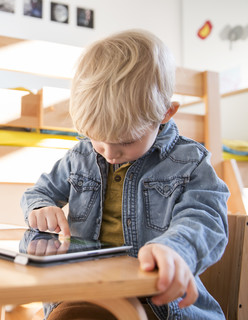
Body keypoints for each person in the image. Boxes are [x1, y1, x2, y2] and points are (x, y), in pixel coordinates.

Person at [20, 29, 229, 320]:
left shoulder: (189, 163)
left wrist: (174, 248)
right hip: (86, 293)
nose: (109, 153)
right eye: (96, 137)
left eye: (127, 141)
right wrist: (41, 207)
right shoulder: (80, 156)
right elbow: (37, 192)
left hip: (158, 303)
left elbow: (205, 219)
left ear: (166, 113)